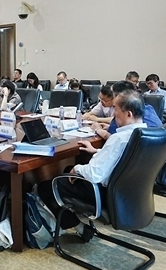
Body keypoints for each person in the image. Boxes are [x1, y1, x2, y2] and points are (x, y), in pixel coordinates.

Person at [37, 90, 147, 235]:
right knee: (68, 171)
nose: (113, 114)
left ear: (128, 114)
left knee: (46, 187)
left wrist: (77, 168)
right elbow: (123, 158)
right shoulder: (144, 134)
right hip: (128, 194)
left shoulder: (119, 139)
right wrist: (97, 151)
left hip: (102, 193)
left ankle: (78, 226)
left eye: (115, 109)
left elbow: (94, 174)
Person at [91, 81, 162, 140]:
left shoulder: (123, 112)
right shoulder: (148, 107)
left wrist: (98, 129)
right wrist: (109, 127)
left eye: (113, 96)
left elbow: (114, 138)